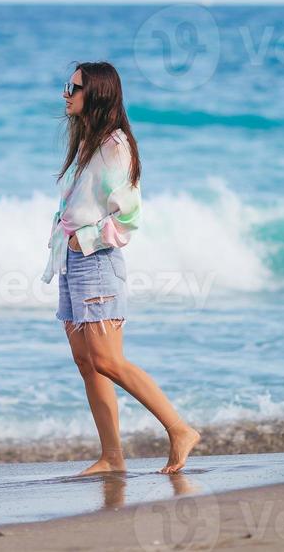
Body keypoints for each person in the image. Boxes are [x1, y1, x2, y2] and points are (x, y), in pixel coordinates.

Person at [41, 60, 201, 475]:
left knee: (108, 360)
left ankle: (180, 429)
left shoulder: (115, 146)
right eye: (67, 86)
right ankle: (112, 456)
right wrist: (66, 242)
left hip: (97, 264)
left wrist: (85, 239)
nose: (66, 94)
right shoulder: (88, 143)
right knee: (86, 362)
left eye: (73, 87)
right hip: (72, 263)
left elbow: (128, 218)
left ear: (95, 94)